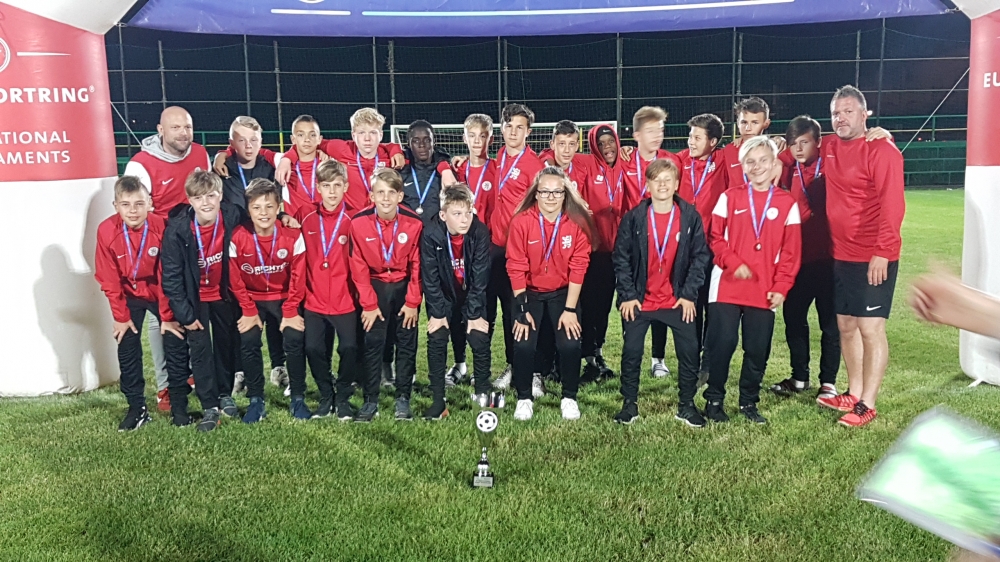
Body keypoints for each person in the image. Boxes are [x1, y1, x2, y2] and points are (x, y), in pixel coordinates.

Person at [817, 85, 905, 428]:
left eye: (848, 111)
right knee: (846, 326)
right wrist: (780, 142)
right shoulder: (829, 146)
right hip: (841, 254)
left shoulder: (881, 150)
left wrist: (884, 251)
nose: (841, 118)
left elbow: (893, 205)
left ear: (865, 114)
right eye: (836, 113)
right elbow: (799, 145)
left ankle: (868, 403)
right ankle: (853, 393)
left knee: (870, 328)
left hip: (873, 256)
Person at [703, 135, 801, 425]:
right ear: (743, 166)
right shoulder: (729, 197)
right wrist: (733, 263)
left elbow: (791, 252)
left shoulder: (787, 203)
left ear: (773, 164)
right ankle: (714, 400)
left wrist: (782, 287)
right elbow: (715, 238)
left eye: (763, 160)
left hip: (764, 287)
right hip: (727, 284)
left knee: (757, 349)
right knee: (722, 343)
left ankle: (748, 402)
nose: (757, 166)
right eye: (750, 161)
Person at [123, 105, 211, 412]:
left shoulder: (200, 153)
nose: (183, 133)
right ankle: (165, 386)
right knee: (162, 317)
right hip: (159, 249)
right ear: (160, 130)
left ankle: (194, 375)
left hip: (194, 245)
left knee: (193, 309)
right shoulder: (140, 164)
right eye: (176, 128)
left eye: (187, 127)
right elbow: (135, 211)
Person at [612, 159, 710, 426]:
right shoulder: (634, 217)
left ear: (677, 184)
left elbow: (700, 257)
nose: (663, 185)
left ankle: (686, 405)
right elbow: (621, 257)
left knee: (689, 351)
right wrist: (628, 295)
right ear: (648, 184)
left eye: (668, 180)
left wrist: (688, 295)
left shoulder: (690, 216)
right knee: (631, 351)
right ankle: (629, 405)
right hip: (640, 300)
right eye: (657, 180)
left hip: (677, 300)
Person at [95, 176, 190, 430]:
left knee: (175, 342)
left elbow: (168, 273)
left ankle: (179, 408)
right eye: (126, 205)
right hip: (129, 296)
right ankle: (137, 409)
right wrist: (121, 317)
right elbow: (108, 277)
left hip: (160, 292)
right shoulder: (106, 230)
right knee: (126, 345)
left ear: (150, 203)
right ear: (116, 206)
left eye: (139, 204)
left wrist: (167, 316)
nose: (133, 211)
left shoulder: (162, 226)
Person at [506, 166, 594, 421]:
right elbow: (515, 265)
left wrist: (570, 309)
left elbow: (579, 266)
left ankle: (569, 397)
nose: (551, 197)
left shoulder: (577, 223)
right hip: (529, 293)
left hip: (562, 292)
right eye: (545, 191)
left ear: (565, 194)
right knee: (523, 343)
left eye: (557, 192)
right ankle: (524, 398)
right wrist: (522, 309)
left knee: (570, 343)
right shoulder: (521, 222)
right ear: (536, 194)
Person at [212, 117, 293, 392]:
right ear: (231, 143)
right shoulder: (222, 168)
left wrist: (284, 215)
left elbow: (280, 196)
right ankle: (241, 372)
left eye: (254, 140)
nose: (248, 146)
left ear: (261, 142)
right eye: (242, 140)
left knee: (275, 312)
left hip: (269, 245)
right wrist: (219, 154)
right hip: (235, 250)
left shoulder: (271, 166)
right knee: (240, 314)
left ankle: (280, 367)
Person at [161, 171, 244, 432]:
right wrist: (185, 314)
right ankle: (209, 404)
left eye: (211, 196)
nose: (205, 203)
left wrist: (284, 217)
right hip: (194, 299)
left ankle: (225, 393)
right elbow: (171, 277)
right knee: (200, 351)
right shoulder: (177, 231)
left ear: (220, 195)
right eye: (198, 198)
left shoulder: (233, 215)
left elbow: (258, 220)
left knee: (226, 345)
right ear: (190, 200)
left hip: (223, 294)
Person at [539, 120, 622, 383]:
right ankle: (552, 361)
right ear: (553, 144)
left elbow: (609, 158)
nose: (567, 149)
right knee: (555, 304)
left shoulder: (585, 163)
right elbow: (544, 156)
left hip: (586, 249)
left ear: (578, 145)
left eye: (572, 144)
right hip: (551, 251)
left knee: (591, 305)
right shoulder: (544, 166)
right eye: (561, 144)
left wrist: (628, 150)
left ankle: (592, 355)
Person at [471, 104, 545, 390]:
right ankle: (513, 367)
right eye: (509, 126)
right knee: (501, 311)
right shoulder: (501, 155)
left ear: (529, 131)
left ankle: (534, 372)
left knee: (522, 311)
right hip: (496, 248)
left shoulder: (534, 165)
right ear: (501, 129)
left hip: (521, 251)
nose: (514, 132)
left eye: (520, 127)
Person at [768, 116, 840, 400]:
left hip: (831, 257)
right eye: (794, 143)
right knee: (794, 318)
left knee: (830, 324)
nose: (798, 149)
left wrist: (882, 133)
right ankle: (799, 377)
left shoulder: (831, 159)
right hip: (800, 258)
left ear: (818, 142)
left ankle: (828, 382)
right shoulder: (789, 167)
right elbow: (781, 157)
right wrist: (783, 151)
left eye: (805, 142)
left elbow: (845, 141)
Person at [228, 179, 306, 424]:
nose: (264, 213)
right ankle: (256, 400)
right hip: (252, 299)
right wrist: (248, 309)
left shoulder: (293, 235)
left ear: (278, 207)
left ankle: (298, 397)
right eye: (257, 207)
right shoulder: (237, 236)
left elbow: (299, 277)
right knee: (249, 340)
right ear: (248, 210)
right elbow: (235, 279)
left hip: (284, 298)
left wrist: (291, 309)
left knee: (294, 338)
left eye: (269, 206)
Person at [349, 168, 424, 422]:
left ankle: (403, 398)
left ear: (400, 196)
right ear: (371, 196)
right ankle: (371, 400)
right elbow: (358, 266)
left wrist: (412, 301)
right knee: (373, 343)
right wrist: (369, 304)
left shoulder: (414, 223)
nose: (385, 198)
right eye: (380, 192)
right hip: (376, 286)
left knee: (406, 342)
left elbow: (418, 265)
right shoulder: (358, 223)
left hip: (404, 287)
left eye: (391, 192)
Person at [619, 106, 683, 378]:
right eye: (650, 131)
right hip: (632, 243)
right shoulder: (623, 161)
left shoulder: (672, 160)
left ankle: (658, 358)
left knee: (661, 297)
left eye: (660, 130)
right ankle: (631, 351)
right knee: (630, 297)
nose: (657, 136)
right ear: (636, 135)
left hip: (663, 240)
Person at [295, 160, 360, 422]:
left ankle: (342, 397)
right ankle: (325, 395)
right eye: (326, 186)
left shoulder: (354, 218)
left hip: (346, 300)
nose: (332, 192)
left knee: (350, 348)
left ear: (346, 186)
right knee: (313, 349)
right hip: (314, 299)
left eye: (337, 185)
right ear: (318, 187)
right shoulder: (305, 215)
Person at [421, 184, 492, 418]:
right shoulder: (431, 234)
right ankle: (438, 401)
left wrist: (474, 314)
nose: (464, 219)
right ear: (443, 215)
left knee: (479, 335)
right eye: (457, 214)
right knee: (437, 336)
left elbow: (480, 278)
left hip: (472, 295)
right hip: (443, 296)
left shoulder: (479, 232)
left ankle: (483, 394)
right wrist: (438, 313)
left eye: (468, 212)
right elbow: (430, 279)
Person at [676, 113, 730, 383]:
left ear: (713, 142)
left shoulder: (724, 159)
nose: (691, 142)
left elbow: (750, 148)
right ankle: (690, 361)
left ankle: (708, 363)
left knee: (713, 307)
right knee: (689, 305)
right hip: (686, 250)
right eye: (690, 136)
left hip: (715, 249)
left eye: (697, 137)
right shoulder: (680, 160)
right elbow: (653, 159)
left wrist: (777, 142)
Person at [446, 113, 497, 386]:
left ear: (491, 138)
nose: (478, 141)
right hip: (458, 250)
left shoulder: (498, 169)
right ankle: (459, 364)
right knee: (457, 309)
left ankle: (481, 367)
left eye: (483, 136)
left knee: (485, 309)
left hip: (487, 250)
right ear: (464, 138)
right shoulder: (456, 171)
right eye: (472, 136)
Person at [277, 107, 406, 214]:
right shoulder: (342, 149)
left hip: (380, 219)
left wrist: (395, 149)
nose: (367, 138)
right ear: (353, 135)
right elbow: (309, 142)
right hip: (349, 220)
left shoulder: (389, 156)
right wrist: (287, 159)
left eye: (373, 133)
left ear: (381, 135)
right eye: (361, 133)